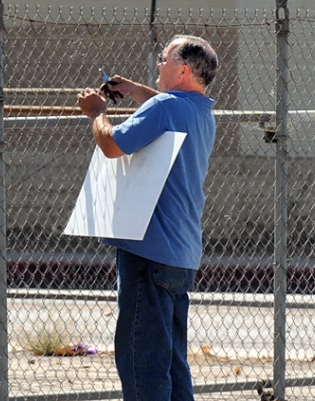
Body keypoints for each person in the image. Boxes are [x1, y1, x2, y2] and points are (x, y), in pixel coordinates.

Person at [76, 35, 219, 401]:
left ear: (182, 70)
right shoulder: (200, 110)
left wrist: (97, 112)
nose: (157, 65)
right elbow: (166, 106)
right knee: (171, 363)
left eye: (163, 59)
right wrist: (136, 90)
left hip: (148, 253)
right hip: (180, 254)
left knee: (143, 365)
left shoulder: (168, 108)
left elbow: (111, 145)